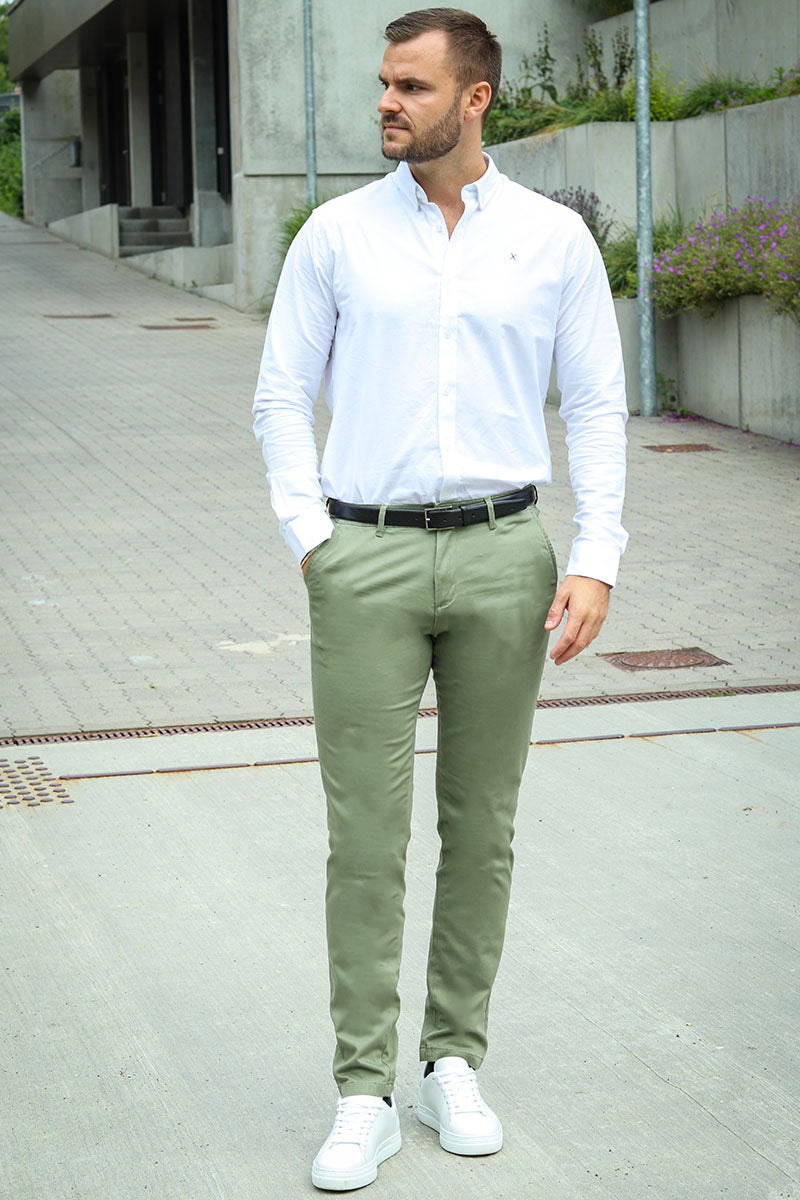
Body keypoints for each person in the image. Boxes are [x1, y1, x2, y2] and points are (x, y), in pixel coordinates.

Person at [253, 7, 627, 1190]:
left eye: (410, 86)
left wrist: (595, 555)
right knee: (364, 839)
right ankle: (361, 1089)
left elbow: (596, 402)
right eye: (382, 82)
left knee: (482, 828)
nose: (385, 101)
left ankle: (450, 1061)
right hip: (362, 557)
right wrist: (313, 541)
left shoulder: (550, 239)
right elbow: (279, 396)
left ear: (474, 99)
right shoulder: (335, 234)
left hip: (504, 555)